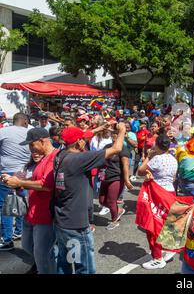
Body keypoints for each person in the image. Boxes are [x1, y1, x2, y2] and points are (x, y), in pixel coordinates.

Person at [53, 123, 127, 274]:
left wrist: (100, 128)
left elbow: (82, 135)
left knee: (65, 263)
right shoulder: (79, 159)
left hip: (62, 219)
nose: (85, 142)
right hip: (76, 224)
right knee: (84, 267)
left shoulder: (60, 155)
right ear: (79, 142)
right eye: (83, 140)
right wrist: (122, 131)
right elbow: (116, 149)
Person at [1, 128, 58, 273]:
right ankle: (48, 265)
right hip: (31, 212)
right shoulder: (39, 159)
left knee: (42, 254)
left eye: (32, 144)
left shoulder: (54, 157)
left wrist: (20, 182)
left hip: (45, 215)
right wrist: (15, 182)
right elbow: (33, 181)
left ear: (43, 141)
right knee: (27, 246)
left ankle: (48, 268)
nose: (30, 148)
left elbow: (46, 185)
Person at [138, 134, 179, 269]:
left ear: (157, 145)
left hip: (157, 194)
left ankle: (157, 257)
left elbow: (140, 171)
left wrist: (149, 157)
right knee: (167, 224)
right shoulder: (174, 159)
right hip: (170, 193)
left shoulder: (157, 159)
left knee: (153, 225)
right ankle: (167, 249)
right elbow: (173, 178)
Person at [0, 113, 31, 251]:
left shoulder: (3, 131)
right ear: (25, 122)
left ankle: (7, 239)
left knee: (6, 206)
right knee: (22, 203)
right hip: (24, 173)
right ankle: (19, 232)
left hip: (6, 172)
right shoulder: (31, 132)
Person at [100, 128, 134, 231]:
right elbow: (100, 160)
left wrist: (127, 180)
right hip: (105, 177)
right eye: (113, 134)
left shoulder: (123, 149)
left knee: (111, 201)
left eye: (117, 134)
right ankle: (118, 210)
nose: (114, 136)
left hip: (116, 178)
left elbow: (125, 165)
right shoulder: (107, 147)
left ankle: (114, 221)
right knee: (102, 201)